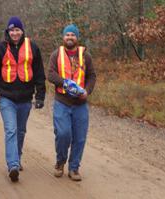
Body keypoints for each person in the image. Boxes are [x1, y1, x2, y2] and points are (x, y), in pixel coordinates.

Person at [0, 16, 46, 182]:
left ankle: (17, 157)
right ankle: (12, 165)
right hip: (6, 97)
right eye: (12, 30)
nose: (14, 33)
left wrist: (40, 95)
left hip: (26, 98)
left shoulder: (33, 48)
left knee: (20, 131)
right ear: (8, 31)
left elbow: (40, 73)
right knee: (11, 130)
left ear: (22, 31)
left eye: (17, 30)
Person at [48, 24, 96, 181]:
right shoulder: (56, 54)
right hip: (62, 102)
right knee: (63, 134)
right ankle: (60, 162)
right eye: (67, 35)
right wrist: (66, 84)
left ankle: (74, 168)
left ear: (77, 38)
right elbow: (51, 74)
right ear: (63, 37)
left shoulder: (86, 56)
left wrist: (86, 91)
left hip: (80, 104)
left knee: (80, 138)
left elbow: (91, 76)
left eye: (73, 35)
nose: (70, 37)